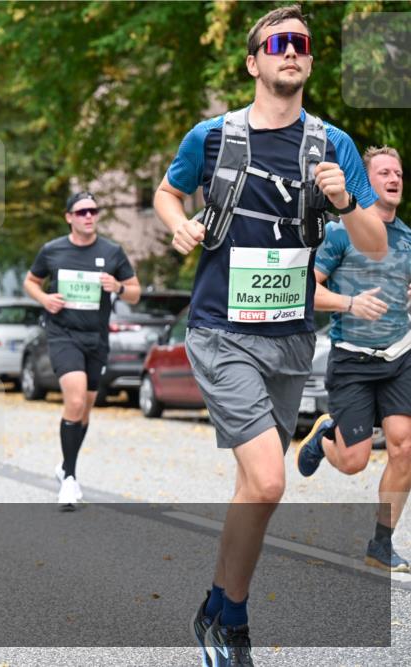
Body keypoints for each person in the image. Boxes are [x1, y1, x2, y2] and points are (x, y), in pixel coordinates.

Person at [153, 6, 386, 666]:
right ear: (253, 61)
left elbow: (372, 242)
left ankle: (214, 609)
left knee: (252, 490)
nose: (291, 51)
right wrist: (177, 223)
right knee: (267, 480)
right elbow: (167, 194)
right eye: (277, 43)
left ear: (309, 61)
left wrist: (345, 202)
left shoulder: (334, 144)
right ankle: (234, 622)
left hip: (290, 337)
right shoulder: (213, 137)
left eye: (301, 44)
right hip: (220, 331)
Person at [297, 145, 411, 571]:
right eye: (384, 172)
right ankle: (326, 435)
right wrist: (349, 303)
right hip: (352, 360)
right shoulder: (340, 233)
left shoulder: (408, 238)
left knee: (404, 446)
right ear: (366, 182)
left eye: (398, 173)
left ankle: (381, 544)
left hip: (400, 355)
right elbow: (306, 289)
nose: (394, 179)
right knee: (353, 462)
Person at [23, 191, 140, 508]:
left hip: (96, 338)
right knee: (74, 401)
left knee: (85, 409)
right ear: (69, 217)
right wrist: (45, 299)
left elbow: (135, 292)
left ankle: (65, 466)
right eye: (82, 211)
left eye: (93, 211)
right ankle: (70, 480)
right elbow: (31, 281)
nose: (89, 216)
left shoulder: (112, 252)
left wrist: (118, 287)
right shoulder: (53, 250)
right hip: (63, 335)